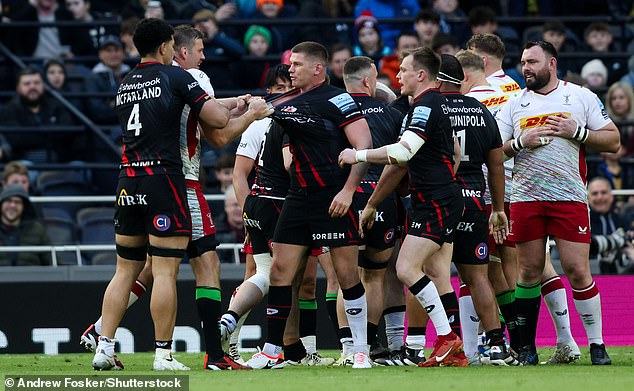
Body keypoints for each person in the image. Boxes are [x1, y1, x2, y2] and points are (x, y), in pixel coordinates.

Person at [82, 23, 271, 371]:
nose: (201, 56)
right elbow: (214, 128)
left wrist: (235, 101)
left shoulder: (125, 82)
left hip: (128, 179)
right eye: (197, 50)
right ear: (171, 48)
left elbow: (188, 109)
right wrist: (252, 115)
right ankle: (179, 354)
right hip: (174, 181)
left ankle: (103, 342)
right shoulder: (182, 77)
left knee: (129, 269)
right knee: (183, 268)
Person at [244, 41, 373, 369]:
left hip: (333, 197)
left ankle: (360, 350)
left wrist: (347, 192)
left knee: (346, 274)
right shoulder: (287, 100)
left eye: (297, 64)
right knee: (279, 271)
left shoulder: (338, 99)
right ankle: (273, 349)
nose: (290, 69)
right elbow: (256, 111)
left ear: (318, 68)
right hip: (298, 197)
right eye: (291, 64)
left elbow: (363, 145)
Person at [338, 46, 468, 367]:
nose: (397, 76)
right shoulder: (420, 107)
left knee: (407, 269)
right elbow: (452, 152)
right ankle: (445, 342)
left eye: (403, 70)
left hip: (436, 200)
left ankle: (447, 339)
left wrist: (359, 155)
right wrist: (373, 202)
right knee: (420, 270)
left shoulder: (425, 105)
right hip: (433, 198)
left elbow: (403, 152)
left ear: (421, 75)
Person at [497, 40, 620, 366]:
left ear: (551, 63)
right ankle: (527, 349)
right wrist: (522, 141)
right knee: (528, 272)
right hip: (525, 198)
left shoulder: (580, 96)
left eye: (532, 62)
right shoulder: (514, 104)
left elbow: (614, 139)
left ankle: (597, 345)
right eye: (523, 62)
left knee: (578, 270)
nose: (526, 68)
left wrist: (577, 132)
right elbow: (495, 151)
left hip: (569, 196)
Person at [436, 53, 517, 366]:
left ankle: (440, 343)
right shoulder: (481, 111)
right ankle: (498, 345)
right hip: (474, 199)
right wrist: (497, 207)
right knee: (478, 277)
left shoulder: (430, 109)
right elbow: (496, 164)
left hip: (439, 199)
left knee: (427, 272)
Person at [337, 56, 402, 364]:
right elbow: (402, 159)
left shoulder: (334, 110)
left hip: (344, 197)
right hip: (381, 196)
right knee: (375, 276)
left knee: (346, 277)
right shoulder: (390, 113)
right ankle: (371, 344)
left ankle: (349, 348)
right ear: (367, 81)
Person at [0, 67, 75, 162]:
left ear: (43, 86)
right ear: (18, 88)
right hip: (24, 164)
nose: (32, 87)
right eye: (27, 84)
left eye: (36, 83)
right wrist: (50, 134)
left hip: (58, 161)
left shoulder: (56, 105)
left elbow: (67, 131)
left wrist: (32, 134)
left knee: (79, 166)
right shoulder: (9, 109)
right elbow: (17, 140)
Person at [588, 177, 634, 274]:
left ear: (611, 196)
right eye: (595, 193)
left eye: (603, 192)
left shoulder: (622, 220)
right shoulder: (582, 223)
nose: (600, 197)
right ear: (588, 198)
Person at [0, 185, 51, 266]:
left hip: (31, 278)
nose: (12, 205)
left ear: (24, 207)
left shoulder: (37, 230)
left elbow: (52, 262)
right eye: (8, 201)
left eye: (17, 202)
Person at [85, 35, 131, 124]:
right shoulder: (93, 77)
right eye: (108, 50)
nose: (113, 54)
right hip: (106, 130)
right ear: (100, 54)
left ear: (123, 53)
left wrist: (113, 104)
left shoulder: (133, 74)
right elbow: (97, 111)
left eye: (116, 50)